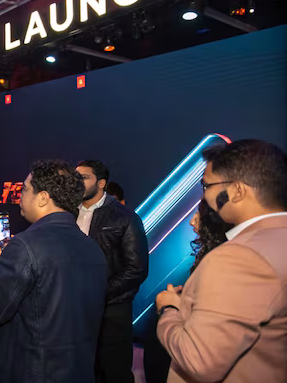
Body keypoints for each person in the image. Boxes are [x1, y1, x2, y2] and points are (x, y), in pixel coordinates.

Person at [156, 139, 287, 383]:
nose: (205, 195)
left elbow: (199, 361)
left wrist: (170, 310)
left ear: (237, 191)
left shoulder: (237, 257)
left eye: (206, 185)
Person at [0, 160, 108, 383]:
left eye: (25, 189)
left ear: (43, 197)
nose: (19, 196)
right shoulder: (92, 247)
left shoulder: (24, 247)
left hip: (31, 373)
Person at [143, 199, 233, 383]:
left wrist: (170, 306)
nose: (192, 221)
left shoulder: (220, 260)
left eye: (199, 214)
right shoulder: (216, 255)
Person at [76, 160, 148, 383]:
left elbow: (136, 269)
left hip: (113, 310)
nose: (77, 182)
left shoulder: (125, 217)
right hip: (74, 308)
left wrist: (99, 293)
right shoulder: (66, 213)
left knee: (114, 372)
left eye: (84, 177)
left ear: (101, 183)